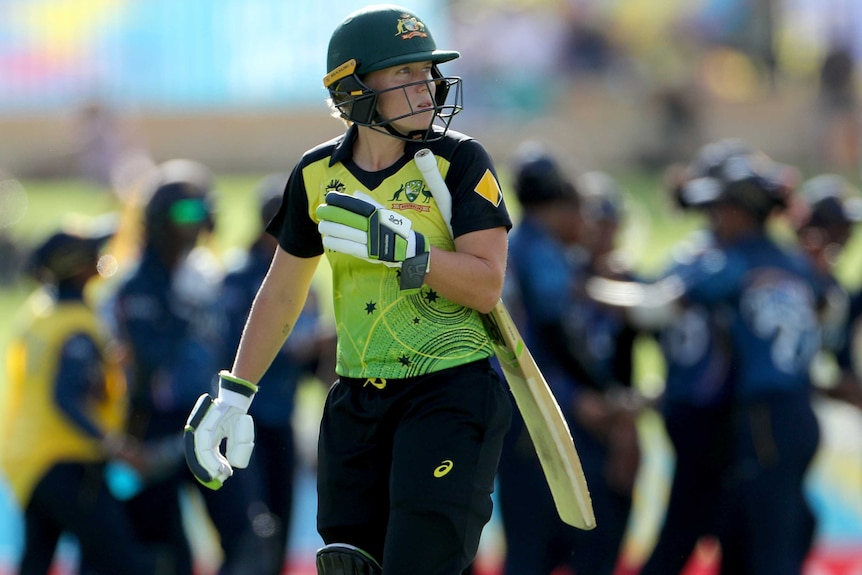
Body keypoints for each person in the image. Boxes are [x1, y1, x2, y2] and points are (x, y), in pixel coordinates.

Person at [184, 5, 513, 575]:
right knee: (349, 565)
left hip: (450, 390)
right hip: (356, 397)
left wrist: (412, 254)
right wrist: (236, 392)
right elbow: (283, 293)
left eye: (427, 72)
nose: (427, 88)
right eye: (405, 74)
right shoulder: (315, 173)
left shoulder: (460, 159)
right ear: (355, 91)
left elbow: (486, 286)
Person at [589, 147, 825, 575]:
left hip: (756, 416)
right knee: (766, 529)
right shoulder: (795, 262)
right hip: (798, 413)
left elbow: (655, 308)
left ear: (740, 210)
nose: (713, 216)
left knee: (758, 541)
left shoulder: (726, 263)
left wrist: (587, 288)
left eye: (721, 207)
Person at [111, 160, 267, 574]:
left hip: (211, 418)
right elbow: (148, 358)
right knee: (162, 550)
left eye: (203, 212)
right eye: (186, 214)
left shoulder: (210, 277)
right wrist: (183, 308)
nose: (198, 223)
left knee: (248, 537)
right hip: (156, 427)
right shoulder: (134, 285)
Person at [497, 144, 641, 575]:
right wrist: (603, 392)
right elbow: (554, 331)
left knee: (527, 546)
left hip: (517, 412)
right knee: (575, 544)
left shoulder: (512, 244)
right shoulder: (541, 249)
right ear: (560, 204)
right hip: (550, 414)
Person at [0, 223, 170, 575]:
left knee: (36, 560)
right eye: (94, 254)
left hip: (28, 461)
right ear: (79, 269)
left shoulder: (39, 314)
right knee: (122, 559)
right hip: (64, 459)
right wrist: (114, 445)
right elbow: (65, 398)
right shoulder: (76, 326)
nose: (101, 259)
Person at [217, 174, 336, 574]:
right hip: (240, 421)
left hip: (280, 417)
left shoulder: (305, 284)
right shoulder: (237, 278)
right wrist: (300, 347)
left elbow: (311, 370)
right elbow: (234, 350)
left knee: (280, 532)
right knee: (252, 537)